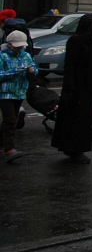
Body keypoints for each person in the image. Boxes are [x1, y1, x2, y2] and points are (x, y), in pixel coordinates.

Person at [51, 13, 92, 164]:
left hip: (89, 87)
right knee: (76, 118)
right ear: (90, 25)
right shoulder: (75, 41)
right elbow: (69, 66)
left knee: (86, 118)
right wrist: (69, 88)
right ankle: (75, 149)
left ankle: (76, 148)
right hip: (76, 88)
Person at [0, 30, 36, 163]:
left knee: (11, 120)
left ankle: (2, 144)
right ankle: (9, 149)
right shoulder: (2, 56)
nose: (19, 48)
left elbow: (34, 70)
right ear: (9, 44)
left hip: (19, 92)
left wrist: (32, 71)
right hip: (5, 93)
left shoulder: (26, 55)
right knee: (10, 120)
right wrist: (15, 72)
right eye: (17, 45)